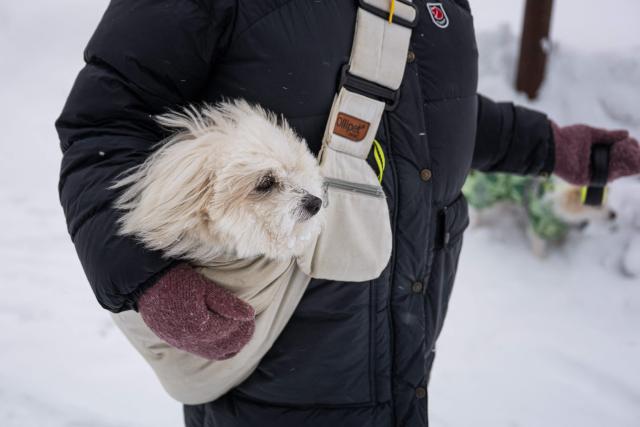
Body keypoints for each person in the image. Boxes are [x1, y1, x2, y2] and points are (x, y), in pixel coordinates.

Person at [56, 1, 640, 426]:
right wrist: (147, 278)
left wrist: (552, 146)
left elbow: (433, 115)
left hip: (406, 354)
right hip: (272, 364)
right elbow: (103, 127)